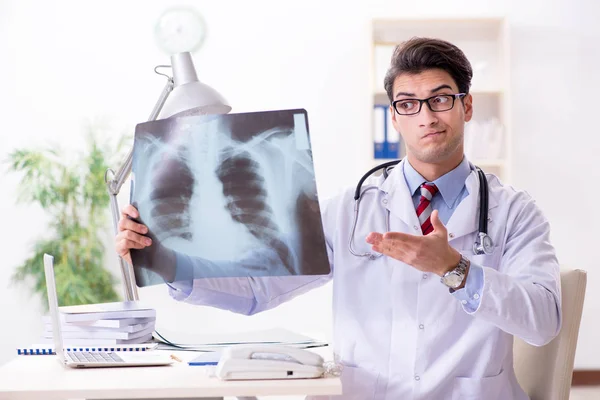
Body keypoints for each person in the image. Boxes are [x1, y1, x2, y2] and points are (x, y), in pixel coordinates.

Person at [115, 37, 561, 400]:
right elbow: (257, 290)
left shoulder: (514, 212)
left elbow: (543, 322)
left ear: (466, 107)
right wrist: (166, 257)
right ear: (395, 118)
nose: (425, 116)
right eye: (409, 103)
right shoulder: (349, 209)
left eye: (441, 99)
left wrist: (455, 268)